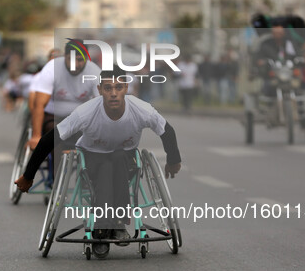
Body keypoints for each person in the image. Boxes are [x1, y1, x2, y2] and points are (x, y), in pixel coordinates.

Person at [15, 67, 182, 246]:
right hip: (92, 157)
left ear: (126, 88)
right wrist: (28, 175)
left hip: (125, 157)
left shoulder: (141, 109)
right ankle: (101, 228)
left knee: (117, 159)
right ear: (100, 89)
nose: (113, 94)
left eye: (118, 88)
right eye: (108, 88)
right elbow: (49, 140)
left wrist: (174, 160)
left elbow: (167, 132)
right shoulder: (86, 111)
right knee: (105, 167)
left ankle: (118, 224)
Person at [27, 39, 101, 151]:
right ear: (64, 56)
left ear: (87, 58)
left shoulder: (94, 72)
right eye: (70, 59)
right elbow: (39, 104)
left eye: (80, 60)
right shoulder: (52, 68)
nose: (74, 65)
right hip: (53, 116)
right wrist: (36, 136)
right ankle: (57, 166)